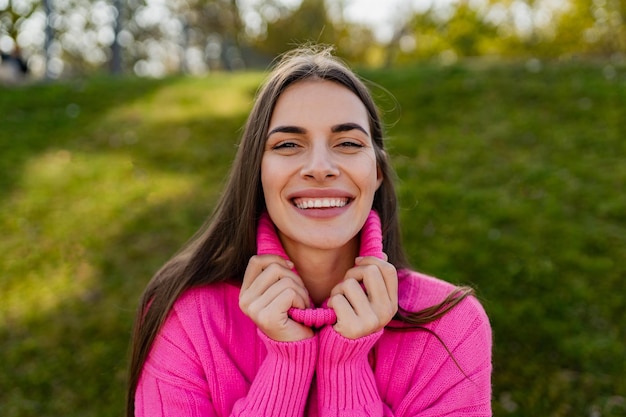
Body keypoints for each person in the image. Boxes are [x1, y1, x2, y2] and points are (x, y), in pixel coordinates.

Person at [126, 45, 492, 417]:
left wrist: (345, 366)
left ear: (377, 173)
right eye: (288, 144)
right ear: (258, 172)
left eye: (348, 143)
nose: (320, 167)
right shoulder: (187, 317)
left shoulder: (451, 326)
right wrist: (287, 365)